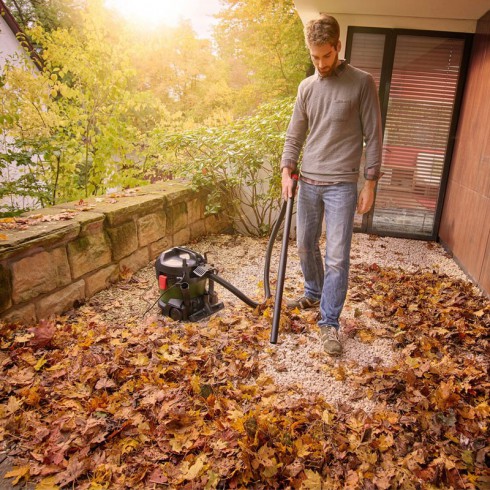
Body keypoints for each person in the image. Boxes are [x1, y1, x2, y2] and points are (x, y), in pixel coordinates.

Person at [281, 14, 382, 356]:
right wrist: (286, 168)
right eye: (314, 57)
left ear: (338, 47)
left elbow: (373, 135)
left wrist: (370, 182)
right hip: (307, 181)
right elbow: (295, 133)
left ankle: (329, 323)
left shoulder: (362, 83)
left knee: (337, 256)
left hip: (341, 184)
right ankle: (313, 292)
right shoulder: (306, 87)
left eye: (326, 56)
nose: (321, 64)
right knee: (305, 245)